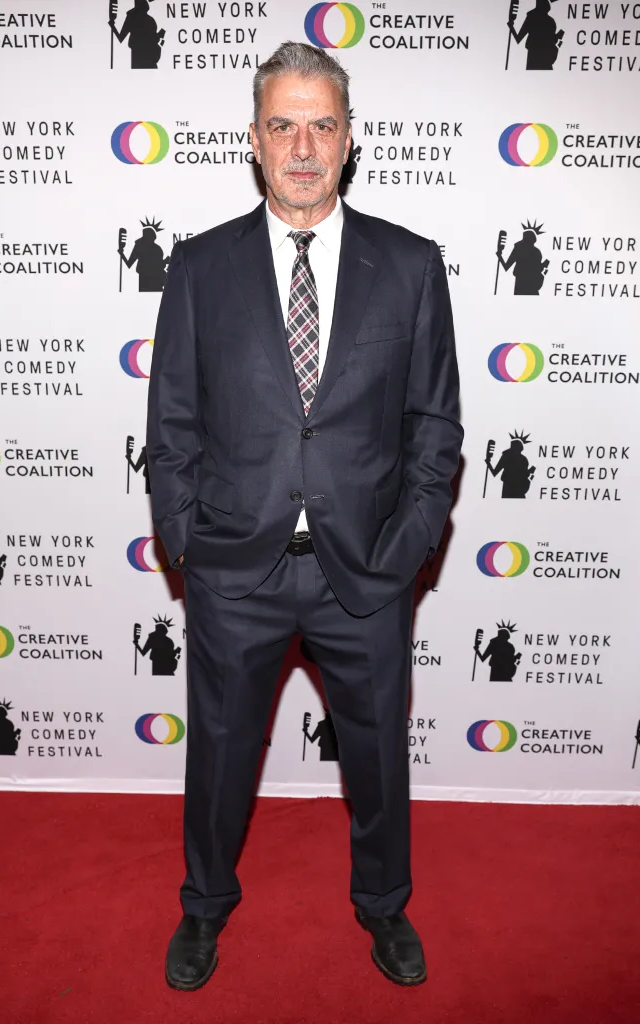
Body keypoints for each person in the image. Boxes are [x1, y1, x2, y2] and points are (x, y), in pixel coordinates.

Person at [147, 41, 462, 992]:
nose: (301, 145)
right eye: (281, 124)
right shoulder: (201, 266)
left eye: (321, 124)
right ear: (253, 140)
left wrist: (405, 549)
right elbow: (171, 425)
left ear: (349, 139)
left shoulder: (408, 265)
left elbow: (435, 426)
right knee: (218, 758)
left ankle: (384, 906)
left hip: (362, 573)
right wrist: (188, 542)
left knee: (375, 761)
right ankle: (203, 907)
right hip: (235, 569)